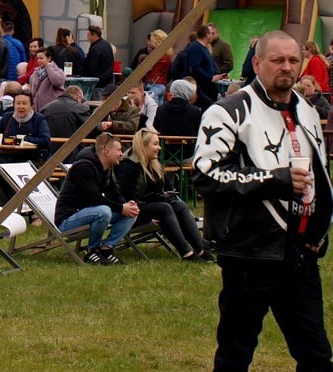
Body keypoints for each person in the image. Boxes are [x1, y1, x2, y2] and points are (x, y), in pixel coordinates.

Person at [194, 30, 333, 370]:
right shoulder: (228, 111)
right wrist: (275, 180)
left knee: (316, 354)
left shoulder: (307, 111)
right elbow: (205, 173)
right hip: (249, 252)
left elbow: (319, 174)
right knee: (236, 352)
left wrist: (318, 231)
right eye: (277, 60)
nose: (286, 67)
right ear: (257, 63)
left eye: (293, 60)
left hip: (300, 253)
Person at [116, 130, 210, 261]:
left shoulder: (153, 164)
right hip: (132, 211)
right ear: (144, 146)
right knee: (164, 208)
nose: (159, 148)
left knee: (180, 206)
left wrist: (169, 195)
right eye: (155, 144)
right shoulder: (128, 166)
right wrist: (148, 218)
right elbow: (126, 198)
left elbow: (167, 188)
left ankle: (201, 251)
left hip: (153, 207)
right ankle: (186, 253)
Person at [54, 131, 140, 265]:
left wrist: (126, 205)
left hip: (88, 213)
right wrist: (120, 208)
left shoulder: (106, 168)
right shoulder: (84, 167)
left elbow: (113, 193)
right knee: (103, 211)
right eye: (118, 150)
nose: (121, 154)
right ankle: (92, 250)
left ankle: (106, 249)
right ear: (106, 151)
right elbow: (92, 198)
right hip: (68, 219)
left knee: (131, 213)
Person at [0, 91, 52, 163]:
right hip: (8, 157)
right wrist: (7, 140)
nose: (21, 106)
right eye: (18, 103)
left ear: (31, 106)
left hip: (32, 158)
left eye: (24, 103)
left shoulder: (39, 119)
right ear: (14, 105)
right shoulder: (8, 117)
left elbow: (45, 140)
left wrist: (23, 139)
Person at [171, 23, 220, 107]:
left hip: (207, 87)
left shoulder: (204, 48)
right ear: (207, 35)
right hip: (201, 87)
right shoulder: (196, 48)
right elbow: (195, 67)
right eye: (211, 33)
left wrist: (217, 74)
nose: (212, 35)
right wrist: (210, 78)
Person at [26, 47, 66, 111]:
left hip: (52, 109)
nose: (39, 60)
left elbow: (58, 82)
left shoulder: (58, 71)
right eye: (37, 59)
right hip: (37, 109)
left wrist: (48, 67)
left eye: (41, 58)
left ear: (49, 58)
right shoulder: (35, 73)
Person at [83, 25, 116, 90]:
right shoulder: (107, 44)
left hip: (98, 83)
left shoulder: (96, 48)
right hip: (107, 81)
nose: (87, 38)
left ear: (94, 35)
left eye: (88, 35)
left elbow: (92, 67)